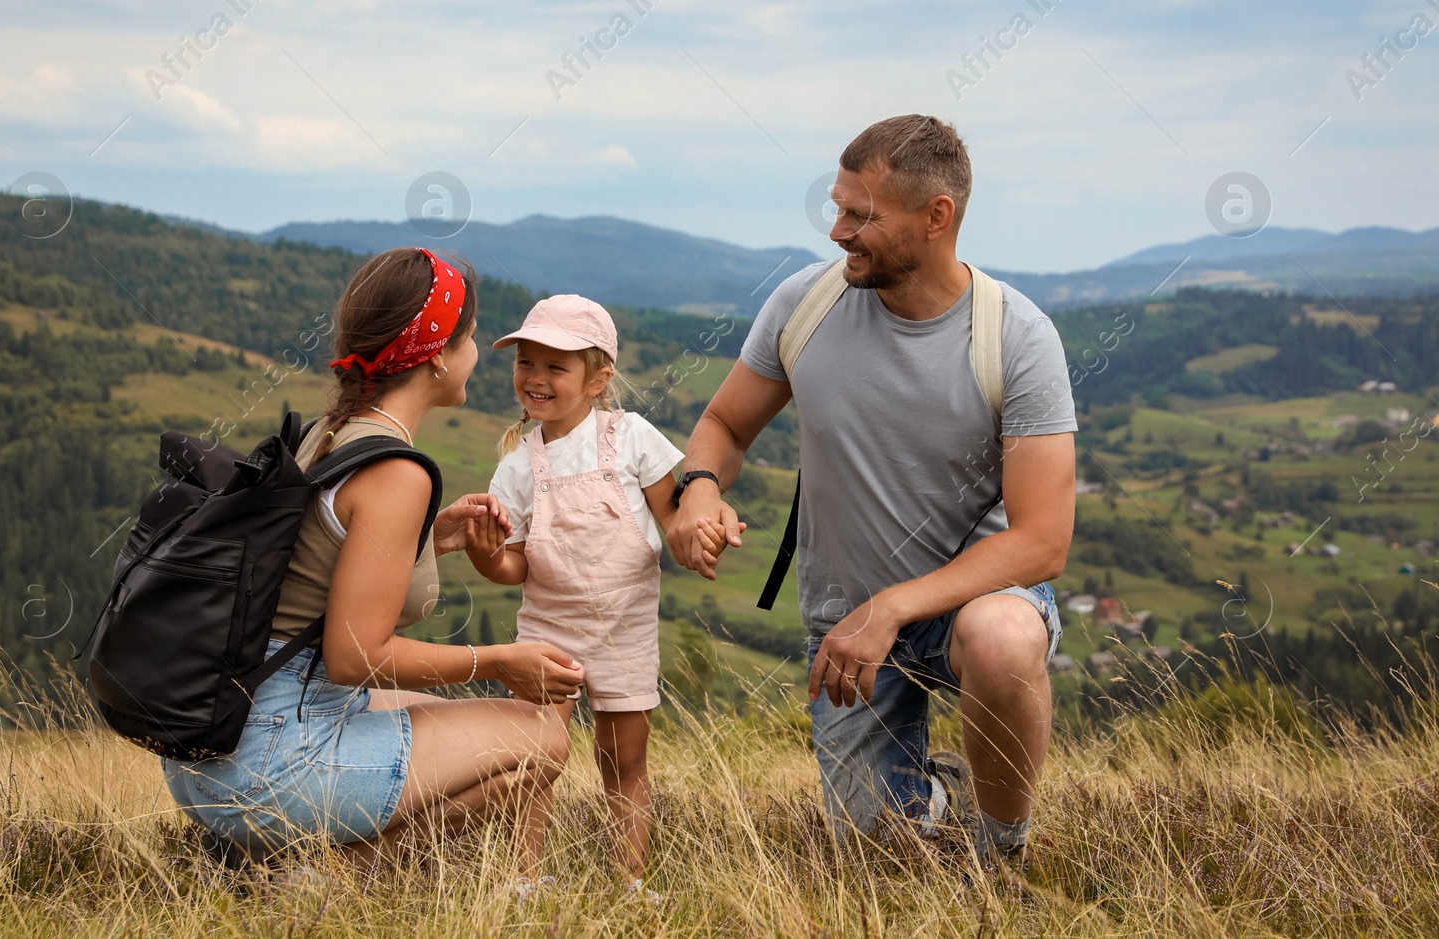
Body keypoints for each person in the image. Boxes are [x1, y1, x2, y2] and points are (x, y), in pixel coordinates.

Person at [667, 115, 1076, 867]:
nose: (837, 231)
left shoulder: (1016, 336)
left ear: (936, 217)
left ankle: (1003, 849)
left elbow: (1043, 541)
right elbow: (723, 424)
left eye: (861, 214)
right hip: (844, 622)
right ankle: (934, 794)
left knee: (1003, 639)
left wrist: (894, 605)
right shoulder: (804, 303)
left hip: (965, 604)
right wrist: (697, 488)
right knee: (877, 858)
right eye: (837, 205)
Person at [162, 247, 584, 879]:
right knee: (541, 740)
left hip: (212, 748)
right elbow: (354, 658)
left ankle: (259, 855)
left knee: (480, 733)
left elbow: (314, 566)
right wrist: (494, 661)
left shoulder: (329, 431)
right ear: (439, 353)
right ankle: (318, 879)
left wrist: (425, 540)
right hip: (275, 759)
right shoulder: (394, 472)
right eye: (469, 337)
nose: (475, 354)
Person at [464, 295, 733, 895]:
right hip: (546, 632)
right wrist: (486, 553)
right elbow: (514, 566)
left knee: (624, 760)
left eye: (555, 367)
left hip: (625, 632)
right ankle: (523, 878)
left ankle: (628, 879)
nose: (535, 378)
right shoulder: (516, 467)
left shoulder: (630, 436)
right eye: (525, 363)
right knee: (533, 758)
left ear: (598, 379)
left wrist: (701, 540)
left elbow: (675, 517)